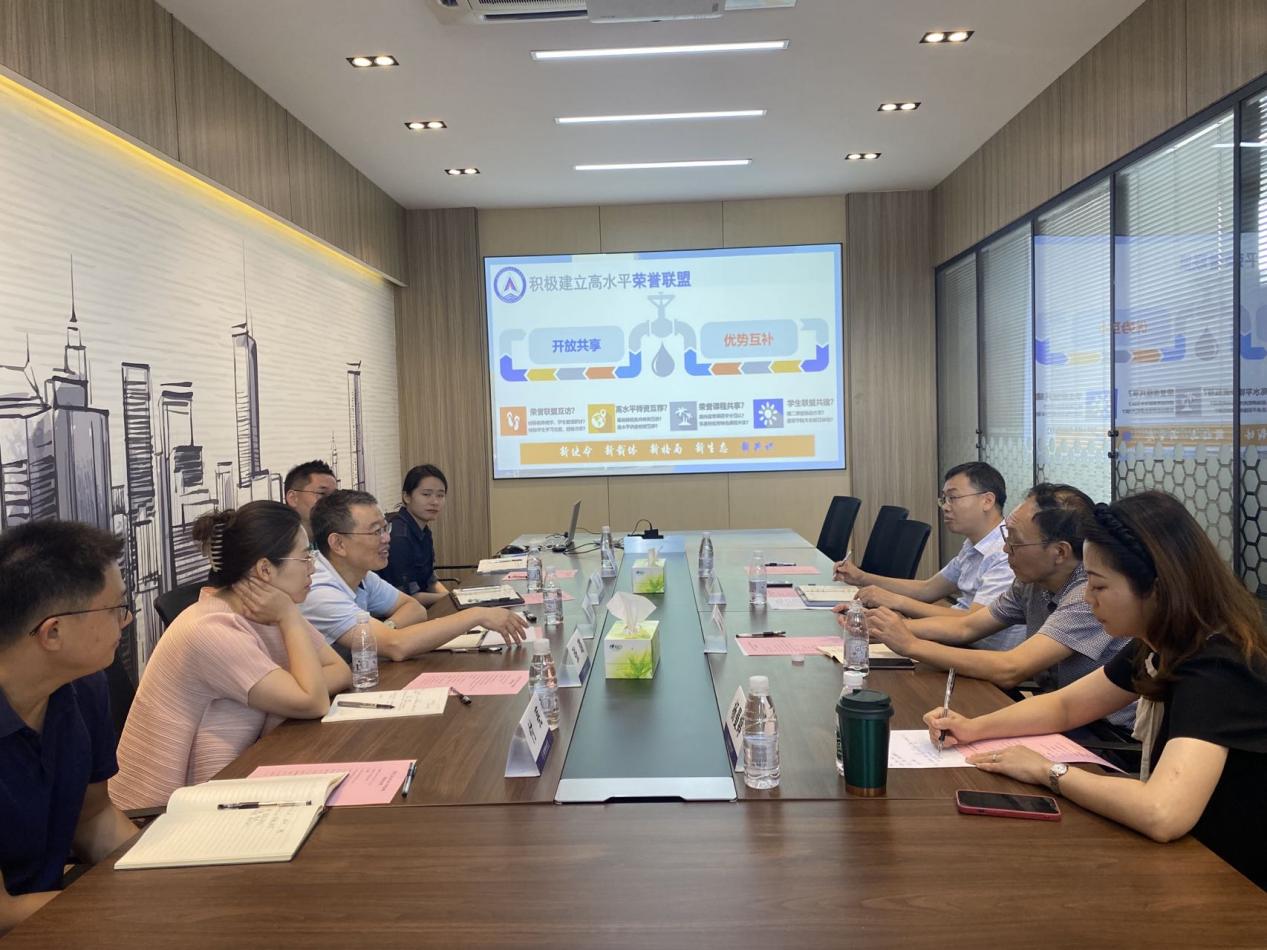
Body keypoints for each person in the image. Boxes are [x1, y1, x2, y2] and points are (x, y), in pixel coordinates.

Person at [925, 491, 1267, 890]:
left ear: (1158, 588)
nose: (1088, 598)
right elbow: (1067, 706)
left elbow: (1162, 812)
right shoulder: (1159, 644)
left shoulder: (1217, 665)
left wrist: (1047, 771)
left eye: (1099, 586)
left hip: (1234, 881)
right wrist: (974, 728)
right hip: (1191, 857)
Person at [110, 502, 351, 810]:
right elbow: (313, 701)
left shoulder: (267, 608)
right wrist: (290, 622)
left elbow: (339, 670)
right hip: (167, 811)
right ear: (265, 569)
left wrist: (294, 685)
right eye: (304, 557)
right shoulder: (211, 630)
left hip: (236, 780)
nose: (312, 567)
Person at [862, 483, 1133, 728]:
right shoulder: (1032, 582)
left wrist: (910, 644)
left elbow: (1010, 668)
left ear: (1059, 552)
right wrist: (885, 628)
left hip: (1105, 735)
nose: (1005, 550)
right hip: (1062, 714)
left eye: (1015, 541)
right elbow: (967, 626)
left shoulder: (1087, 597)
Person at [0, 521, 138, 935]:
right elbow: (3, 914)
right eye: (114, 608)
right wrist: (138, 901)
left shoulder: (83, 686)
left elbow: (92, 818)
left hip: (57, 914)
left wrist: (160, 869)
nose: (127, 620)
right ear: (53, 632)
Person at [302, 490, 527, 660]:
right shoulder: (318, 589)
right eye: (376, 532)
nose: (387, 538)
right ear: (338, 543)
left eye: (385, 528)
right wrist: (475, 615)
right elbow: (397, 646)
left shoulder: (361, 574)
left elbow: (414, 608)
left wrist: (385, 631)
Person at [834, 461, 1025, 649]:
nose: (945, 507)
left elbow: (971, 622)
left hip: (977, 654)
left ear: (987, 501)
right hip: (952, 642)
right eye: (944, 499)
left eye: (953, 498)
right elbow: (927, 589)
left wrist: (897, 609)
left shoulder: (1006, 551)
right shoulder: (973, 545)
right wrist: (862, 578)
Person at [377, 464, 450, 607]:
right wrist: (451, 598)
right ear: (407, 497)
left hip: (423, 607)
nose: (435, 502)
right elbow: (408, 597)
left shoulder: (423, 529)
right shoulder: (399, 537)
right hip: (401, 611)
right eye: (426, 494)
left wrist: (453, 599)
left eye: (440, 495)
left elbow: (431, 581)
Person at [284, 460, 338, 535]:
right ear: (292, 498)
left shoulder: (337, 538)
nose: (331, 501)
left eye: (334, 495)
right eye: (322, 493)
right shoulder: (276, 540)